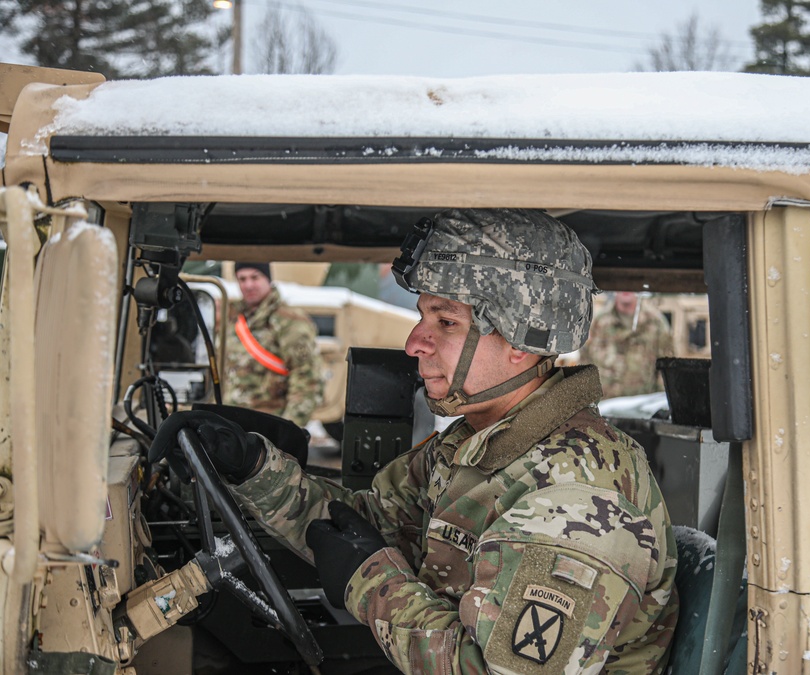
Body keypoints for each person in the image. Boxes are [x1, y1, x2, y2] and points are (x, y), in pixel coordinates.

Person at [155, 210, 678, 673]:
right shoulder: (479, 442)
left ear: (522, 341)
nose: (414, 344)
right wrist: (251, 467)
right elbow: (363, 525)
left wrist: (371, 583)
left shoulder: (575, 501)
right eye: (422, 317)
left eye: (445, 322)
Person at [223, 262, 322, 427]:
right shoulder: (233, 318)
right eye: (242, 279)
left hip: (270, 423)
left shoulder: (290, 321)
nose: (248, 285)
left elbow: (307, 380)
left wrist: (288, 428)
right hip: (233, 424)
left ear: (268, 279)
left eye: (255, 277)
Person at [579, 291, 674, 399]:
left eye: (630, 282)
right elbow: (584, 365)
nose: (625, 290)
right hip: (604, 406)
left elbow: (667, 369)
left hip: (642, 408)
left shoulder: (656, 323)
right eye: (620, 283)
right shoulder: (598, 322)